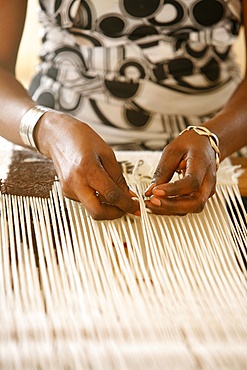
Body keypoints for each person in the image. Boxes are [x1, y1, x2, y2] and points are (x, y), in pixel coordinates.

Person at [0, 0, 246, 220]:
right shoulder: (48, 134)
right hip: (53, 148)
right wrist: (47, 130)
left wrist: (216, 139)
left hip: (219, 148)